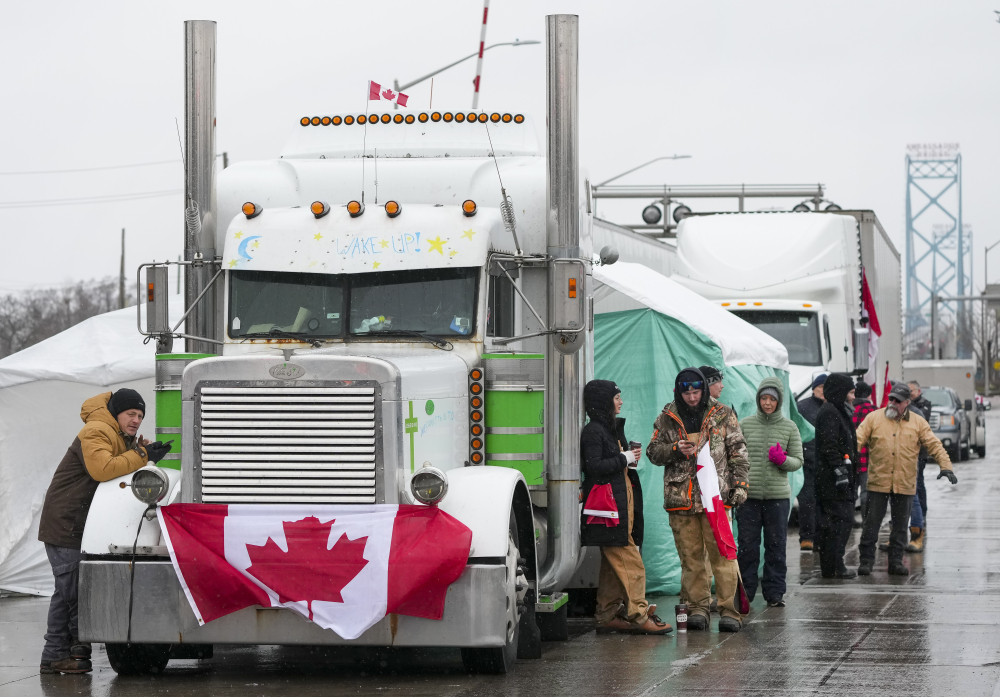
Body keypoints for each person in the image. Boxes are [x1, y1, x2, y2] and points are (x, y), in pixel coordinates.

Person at [37, 390, 171, 674]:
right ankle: (56, 655)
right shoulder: (97, 429)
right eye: (131, 414)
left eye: (140, 416)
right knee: (72, 591)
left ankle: (69, 653)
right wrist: (142, 454)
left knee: (73, 591)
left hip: (80, 524)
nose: (136, 420)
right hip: (66, 523)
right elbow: (103, 469)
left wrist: (142, 453)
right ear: (116, 412)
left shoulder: (116, 433)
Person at [647, 368, 750, 633]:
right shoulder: (667, 417)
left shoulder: (723, 414)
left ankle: (730, 611)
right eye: (687, 393)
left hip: (716, 498)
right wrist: (674, 449)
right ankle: (697, 609)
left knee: (723, 556)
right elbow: (652, 453)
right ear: (678, 392)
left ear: (704, 389)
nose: (692, 398)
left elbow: (738, 452)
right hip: (681, 500)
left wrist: (739, 486)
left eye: (696, 392)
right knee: (690, 559)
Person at [580, 380, 671, 635]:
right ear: (603, 401)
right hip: (609, 511)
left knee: (613, 566)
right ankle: (640, 616)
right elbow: (594, 466)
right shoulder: (593, 431)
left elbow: (609, 465)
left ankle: (607, 614)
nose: (620, 402)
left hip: (620, 505)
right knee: (631, 563)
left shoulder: (609, 430)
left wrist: (627, 462)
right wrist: (624, 458)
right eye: (616, 397)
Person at [856, 382, 957, 576]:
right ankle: (866, 561)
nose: (892, 403)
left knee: (900, 527)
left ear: (907, 403)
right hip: (878, 482)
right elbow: (857, 440)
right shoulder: (874, 418)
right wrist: (843, 460)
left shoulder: (918, 422)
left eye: (898, 401)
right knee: (871, 524)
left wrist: (946, 466)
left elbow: (934, 444)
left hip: (905, 483)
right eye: (891, 399)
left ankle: (895, 562)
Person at [737, 377, 803, 607]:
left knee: (776, 545)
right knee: (747, 546)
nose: (767, 403)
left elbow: (798, 460)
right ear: (758, 399)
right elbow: (735, 455)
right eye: (763, 398)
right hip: (749, 497)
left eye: (772, 399)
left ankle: (774, 593)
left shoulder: (789, 427)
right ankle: (744, 592)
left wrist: (783, 460)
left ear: (779, 401)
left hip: (777, 498)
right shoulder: (745, 424)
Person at [813, 373, 858, 579]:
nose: (853, 396)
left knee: (840, 522)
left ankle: (833, 564)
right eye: (850, 391)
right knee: (839, 522)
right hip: (832, 482)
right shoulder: (830, 412)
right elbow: (829, 445)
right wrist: (839, 469)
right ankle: (833, 564)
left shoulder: (839, 411)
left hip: (839, 479)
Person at [796, 374, 826, 551]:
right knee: (807, 501)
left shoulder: (832, 407)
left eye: (825, 387)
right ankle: (806, 537)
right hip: (806, 462)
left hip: (825, 463)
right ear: (814, 388)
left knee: (823, 502)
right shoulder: (802, 406)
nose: (823, 391)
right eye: (820, 387)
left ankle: (820, 536)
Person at [907, 380, 933, 553]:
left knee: (917, 487)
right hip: (910, 456)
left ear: (918, 391)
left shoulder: (921, 408)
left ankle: (920, 519)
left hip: (918, 455)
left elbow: (925, 435)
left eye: (911, 391)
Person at [852, 381, 877, 521]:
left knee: (851, 492)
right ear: (869, 394)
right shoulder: (875, 410)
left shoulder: (849, 409)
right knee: (866, 492)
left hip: (851, 457)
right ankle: (866, 521)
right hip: (868, 458)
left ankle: (849, 521)